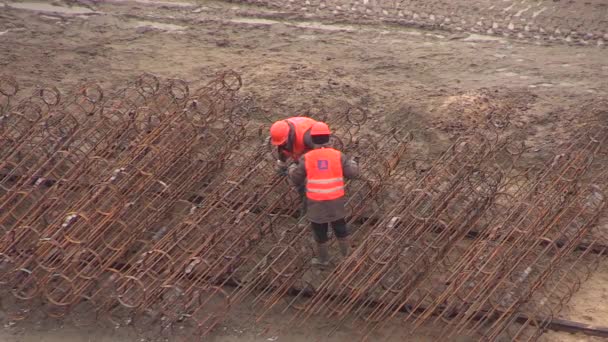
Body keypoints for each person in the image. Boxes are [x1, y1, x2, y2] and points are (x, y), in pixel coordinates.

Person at [288, 122, 359, 266]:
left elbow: (296, 178)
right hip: (335, 202)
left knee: (320, 233)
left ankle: (323, 260)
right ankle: (346, 258)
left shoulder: (307, 158)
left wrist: (291, 168)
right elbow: (352, 174)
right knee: (340, 229)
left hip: (316, 203)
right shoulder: (338, 156)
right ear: (329, 138)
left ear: (312, 139)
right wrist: (353, 163)